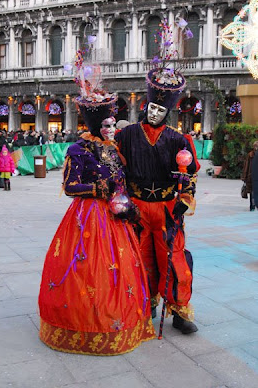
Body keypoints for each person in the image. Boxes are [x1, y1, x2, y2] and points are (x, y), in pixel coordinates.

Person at [38, 87, 156, 355]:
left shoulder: (113, 149)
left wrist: (126, 203)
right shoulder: (79, 149)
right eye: (106, 124)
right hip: (89, 218)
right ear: (94, 124)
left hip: (116, 218)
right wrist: (96, 190)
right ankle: (87, 320)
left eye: (114, 124)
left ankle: (115, 316)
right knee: (89, 268)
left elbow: (121, 181)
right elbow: (70, 187)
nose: (112, 129)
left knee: (119, 269)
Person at [116, 66, 199, 334]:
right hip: (136, 208)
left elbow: (190, 174)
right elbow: (115, 170)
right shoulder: (125, 135)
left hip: (166, 208)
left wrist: (185, 197)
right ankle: (144, 303)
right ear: (146, 105)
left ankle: (179, 309)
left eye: (160, 110)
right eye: (151, 107)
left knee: (174, 259)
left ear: (168, 112)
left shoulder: (179, 139)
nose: (154, 113)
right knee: (139, 258)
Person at [242, 141, 258, 211]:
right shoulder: (250, 155)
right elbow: (246, 166)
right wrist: (244, 176)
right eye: (255, 146)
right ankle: (252, 205)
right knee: (252, 192)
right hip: (251, 176)